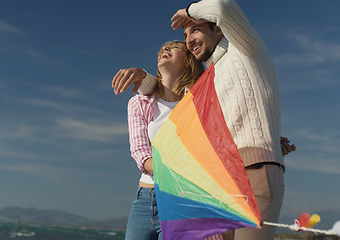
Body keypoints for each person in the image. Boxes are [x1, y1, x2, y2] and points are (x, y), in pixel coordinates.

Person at [113, 0, 296, 239]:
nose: (188, 39)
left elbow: (223, 8)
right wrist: (145, 78)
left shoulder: (243, 50)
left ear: (218, 29)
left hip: (232, 177)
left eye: (195, 29)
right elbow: (230, 119)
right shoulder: (210, 80)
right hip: (204, 186)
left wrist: (188, 12)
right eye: (185, 34)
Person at [120, 40, 226, 240]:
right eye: (162, 49)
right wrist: (177, 169)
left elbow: (221, 141)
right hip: (146, 198)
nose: (165, 50)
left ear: (188, 61)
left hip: (183, 200)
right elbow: (141, 154)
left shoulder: (200, 104)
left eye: (174, 47)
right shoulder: (139, 103)